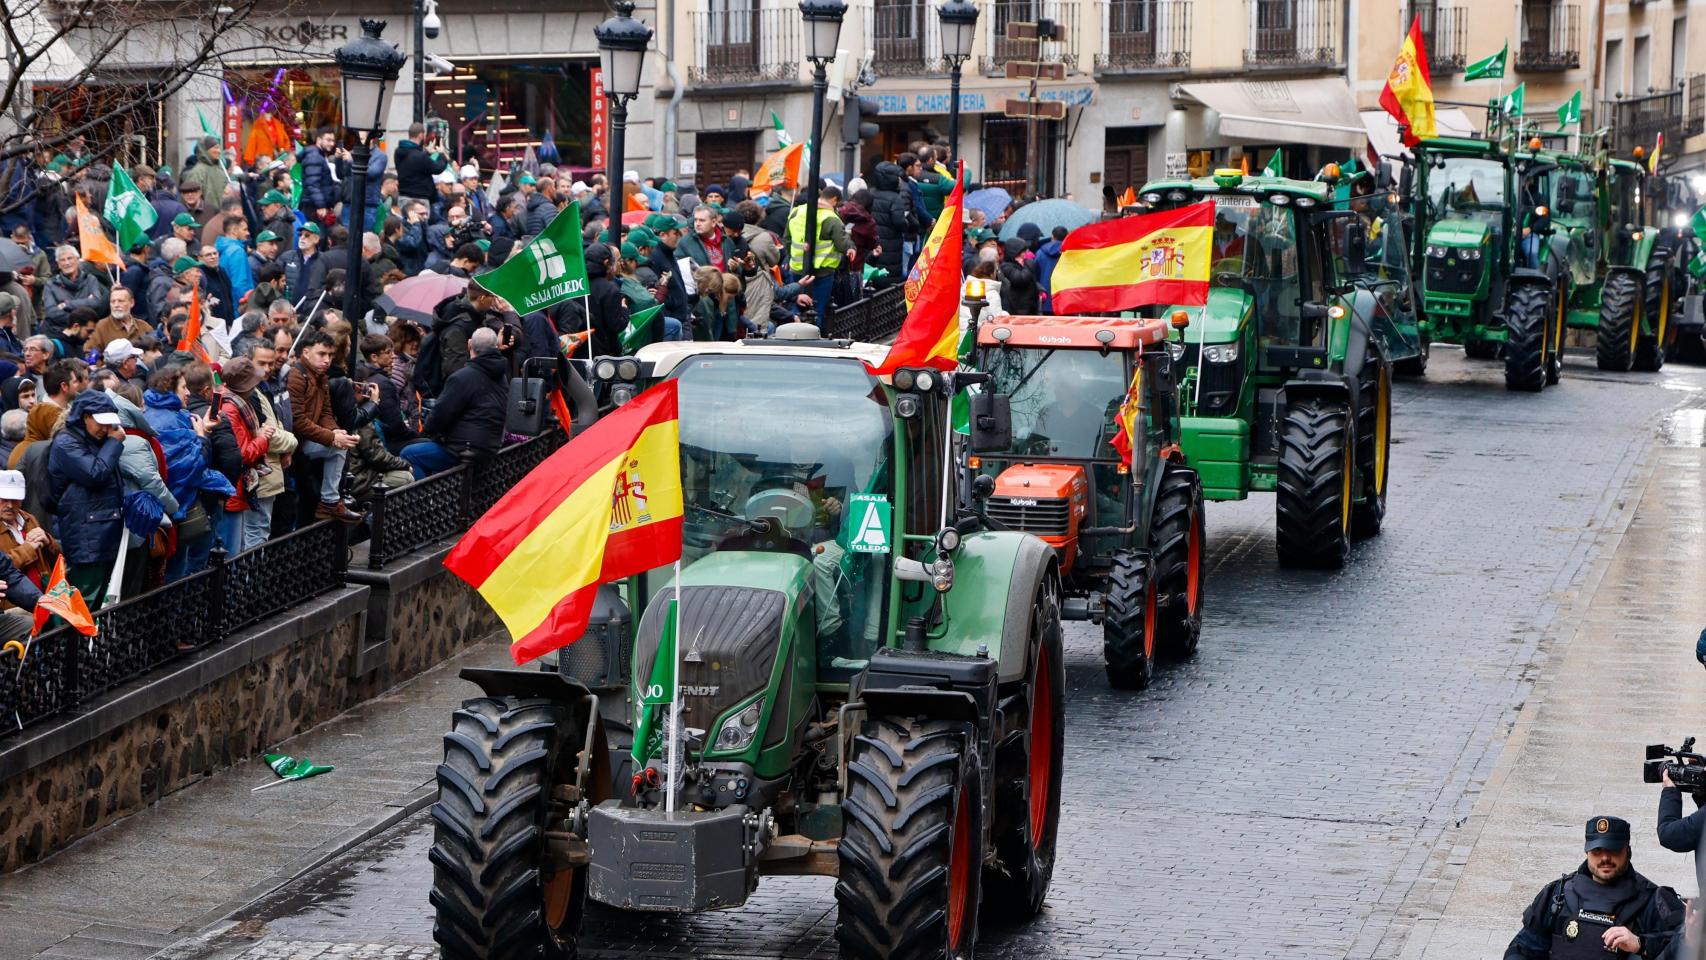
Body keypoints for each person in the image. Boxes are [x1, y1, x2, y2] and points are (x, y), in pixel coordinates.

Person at [1503, 816, 1684, 959]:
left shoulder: (1654, 900)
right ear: (1587, 851)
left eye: (1613, 850)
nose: (1605, 858)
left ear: (1627, 851)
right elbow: (1522, 948)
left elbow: (1690, 945)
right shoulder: (1557, 894)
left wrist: (1641, 944)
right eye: (1597, 851)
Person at [46, 390, 128, 606]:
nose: (105, 429)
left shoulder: (96, 441)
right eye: (100, 422)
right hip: (86, 539)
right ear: (84, 416)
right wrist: (114, 443)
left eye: (109, 424)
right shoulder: (66, 443)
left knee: (96, 602)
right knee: (81, 602)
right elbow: (94, 474)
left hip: (101, 534)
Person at [401, 327, 509, 479]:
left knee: (409, 454)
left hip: (464, 449)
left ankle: (422, 501)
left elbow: (440, 415)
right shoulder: (501, 375)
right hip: (490, 446)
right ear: (495, 347)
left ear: (469, 344)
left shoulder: (462, 377)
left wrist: (427, 431)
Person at [287, 330, 361, 522]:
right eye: (321, 354)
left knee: (341, 445)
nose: (327, 360)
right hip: (295, 445)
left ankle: (330, 502)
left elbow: (326, 413)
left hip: (307, 440)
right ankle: (329, 502)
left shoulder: (321, 377)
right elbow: (298, 421)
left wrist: (336, 431)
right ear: (306, 352)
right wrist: (332, 437)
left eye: (330, 355)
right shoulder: (296, 376)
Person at [788, 185, 850, 324]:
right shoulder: (832, 218)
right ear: (834, 200)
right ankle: (814, 338)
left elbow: (787, 239)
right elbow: (842, 245)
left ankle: (792, 335)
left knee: (796, 308)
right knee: (817, 311)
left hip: (797, 268)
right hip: (823, 272)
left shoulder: (796, 212)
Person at [0, 468, 56, 600]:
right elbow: (3, 568)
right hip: (12, 605)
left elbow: (57, 559)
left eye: (15, 499)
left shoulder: (29, 518)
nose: (10, 505)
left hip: (44, 598)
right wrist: (28, 549)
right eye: (4, 499)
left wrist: (48, 542)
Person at [41, 246, 104, 336]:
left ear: (78, 260)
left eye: (70, 258)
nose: (67, 263)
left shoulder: (90, 279)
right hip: (59, 331)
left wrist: (66, 305)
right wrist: (79, 319)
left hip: (86, 333)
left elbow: (96, 302)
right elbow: (51, 312)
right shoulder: (50, 284)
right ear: (58, 264)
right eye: (62, 260)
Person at [89, 287, 150, 355]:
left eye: (120, 301)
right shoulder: (100, 327)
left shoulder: (144, 327)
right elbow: (89, 354)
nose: (116, 305)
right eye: (113, 301)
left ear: (132, 303)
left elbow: (155, 351)